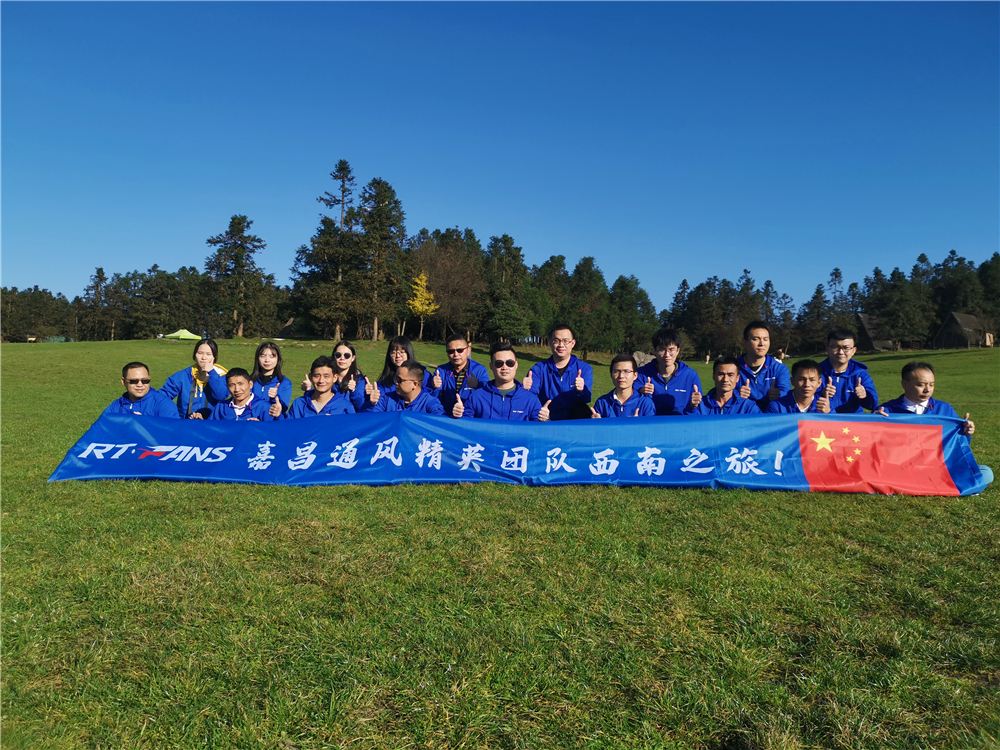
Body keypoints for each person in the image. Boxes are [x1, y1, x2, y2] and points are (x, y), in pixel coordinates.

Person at [875, 362, 975, 437]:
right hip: (899, 463)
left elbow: (956, 444)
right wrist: (874, 424)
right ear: (905, 384)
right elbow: (871, 444)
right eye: (921, 385)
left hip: (936, 463)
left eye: (931, 385)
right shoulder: (887, 411)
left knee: (983, 466)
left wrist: (965, 432)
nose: (927, 390)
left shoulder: (945, 409)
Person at [452, 343, 545, 421]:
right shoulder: (476, 397)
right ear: (491, 366)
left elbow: (540, 432)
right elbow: (464, 427)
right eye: (499, 363)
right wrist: (458, 415)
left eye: (510, 363)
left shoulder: (530, 400)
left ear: (516, 365)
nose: (505, 367)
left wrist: (545, 419)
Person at [522, 324, 593, 420]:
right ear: (550, 343)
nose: (561, 345)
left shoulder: (584, 368)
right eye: (556, 340)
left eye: (565, 341)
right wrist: (525, 390)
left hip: (574, 422)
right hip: (548, 420)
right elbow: (529, 396)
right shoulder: (538, 369)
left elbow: (587, 398)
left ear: (573, 343)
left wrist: (581, 390)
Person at [636, 327, 703, 415]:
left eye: (671, 350)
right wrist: (640, 392)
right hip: (652, 424)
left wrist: (693, 406)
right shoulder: (642, 374)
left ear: (678, 351)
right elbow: (628, 401)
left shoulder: (690, 375)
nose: (667, 355)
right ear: (655, 350)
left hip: (681, 424)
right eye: (662, 349)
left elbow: (699, 412)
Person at [160, 338, 230, 419]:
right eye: (200, 353)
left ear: (215, 357)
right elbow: (161, 397)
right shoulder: (184, 375)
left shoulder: (222, 376)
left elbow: (220, 395)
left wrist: (212, 373)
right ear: (194, 355)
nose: (204, 357)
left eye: (208, 354)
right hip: (185, 423)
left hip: (210, 425)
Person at [818, 328, 878, 413]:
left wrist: (865, 396)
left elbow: (873, 405)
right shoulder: (815, 373)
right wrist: (820, 394)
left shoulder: (861, 375)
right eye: (835, 347)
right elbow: (801, 400)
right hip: (824, 422)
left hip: (852, 423)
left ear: (854, 350)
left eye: (846, 348)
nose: (841, 352)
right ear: (827, 348)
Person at [736, 321, 791, 411]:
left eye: (765, 339)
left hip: (770, 419)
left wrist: (779, 395)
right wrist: (737, 395)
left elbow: (787, 394)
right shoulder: (733, 368)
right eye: (756, 339)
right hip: (744, 418)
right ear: (745, 343)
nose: (762, 343)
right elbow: (721, 394)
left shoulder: (779, 369)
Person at [430, 333, 488, 414]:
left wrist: (478, 385)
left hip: (471, 420)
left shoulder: (479, 370)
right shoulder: (441, 371)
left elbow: (488, 397)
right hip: (446, 418)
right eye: (451, 351)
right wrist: (434, 388)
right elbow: (432, 400)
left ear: (468, 351)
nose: (456, 354)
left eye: (460, 350)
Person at [684, 356, 761, 415]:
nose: (725, 379)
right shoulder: (700, 405)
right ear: (714, 376)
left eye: (730, 375)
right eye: (721, 374)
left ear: (737, 378)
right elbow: (687, 429)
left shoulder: (747, 407)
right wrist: (692, 408)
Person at [365, 360, 446, 415]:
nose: (395, 383)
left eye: (399, 380)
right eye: (395, 378)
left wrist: (457, 414)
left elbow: (441, 422)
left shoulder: (429, 402)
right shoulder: (388, 399)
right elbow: (369, 420)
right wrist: (371, 404)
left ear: (414, 384)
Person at [102, 362, 179, 418]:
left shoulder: (163, 404)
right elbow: (100, 429)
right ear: (123, 381)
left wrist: (145, 425)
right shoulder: (116, 405)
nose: (140, 385)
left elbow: (174, 433)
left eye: (145, 381)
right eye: (133, 381)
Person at [287, 356, 356, 418]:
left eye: (326, 376)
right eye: (317, 376)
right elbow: (288, 429)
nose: (321, 380)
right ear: (310, 377)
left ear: (335, 378)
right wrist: (278, 415)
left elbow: (352, 431)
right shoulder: (299, 404)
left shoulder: (345, 407)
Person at [591, 354, 656, 418]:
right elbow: (594, 428)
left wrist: (637, 426)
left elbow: (651, 428)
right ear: (611, 375)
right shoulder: (602, 402)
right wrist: (596, 424)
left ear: (635, 375)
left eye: (627, 371)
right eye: (616, 371)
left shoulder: (645, 404)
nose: (621, 376)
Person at [765, 360, 831, 414]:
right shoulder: (777, 407)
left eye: (812, 380)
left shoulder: (826, 405)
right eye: (801, 379)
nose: (807, 384)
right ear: (792, 381)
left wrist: (828, 413)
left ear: (819, 383)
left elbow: (837, 427)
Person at [209, 368, 274, 421]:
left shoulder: (264, 407)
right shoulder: (221, 407)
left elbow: (274, 432)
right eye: (232, 385)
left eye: (240, 384)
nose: (237, 389)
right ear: (227, 387)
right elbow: (209, 430)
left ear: (250, 384)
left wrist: (260, 427)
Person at [249, 342, 291, 418]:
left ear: (278, 359)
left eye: (272, 356)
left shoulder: (284, 383)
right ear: (257, 358)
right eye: (263, 356)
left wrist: (275, 397)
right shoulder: (249, 381)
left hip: (272, 425)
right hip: (251, 423)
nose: (267, 360)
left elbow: (283, 409)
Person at [329, 340, 370, 413]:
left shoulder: (360, 380)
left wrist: (353, 392)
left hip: (351, 421)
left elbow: (361, 406)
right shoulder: (328, 378)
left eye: (347, 355)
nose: (342, 358)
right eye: (338, 355)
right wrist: (308, 390)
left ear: (353, 358)